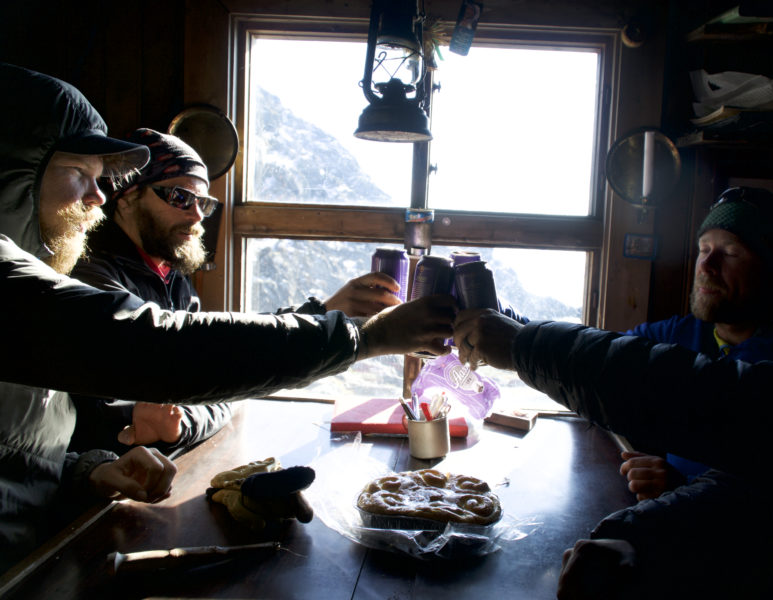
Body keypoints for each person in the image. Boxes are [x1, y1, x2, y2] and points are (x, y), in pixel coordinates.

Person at [0, 62, 453, 570]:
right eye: (80, 173)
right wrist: (360, 338)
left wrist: (90, 471)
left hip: (34, 553)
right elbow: (163, 351)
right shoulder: (58, 284)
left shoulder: (162, 279)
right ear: (16, 169)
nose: (96, 197)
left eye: (204, 202)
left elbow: (24, 456)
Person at [454, 174, 773, 599]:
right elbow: (757, 488)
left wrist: (524, 346)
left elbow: (722, 401)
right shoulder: (684, 334)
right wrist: (635, 537)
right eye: (703, 249)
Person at [68, 128, 405, 455]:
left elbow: (217, 375)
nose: (198, 215)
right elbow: (106, 416)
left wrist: (323, 310)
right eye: (180, 197)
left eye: (203, 202)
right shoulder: (92, 279)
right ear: (127, 199)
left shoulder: (172, 279)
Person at [620, 186, 773, 500]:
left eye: (730, 252)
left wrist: (682, 491)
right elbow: (600, 353)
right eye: (704, 249)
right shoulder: (680, 334)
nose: (706, 265)